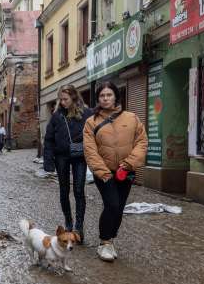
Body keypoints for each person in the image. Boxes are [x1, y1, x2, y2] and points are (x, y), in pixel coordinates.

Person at [84, 81, 147, 262]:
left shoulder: (131, 118)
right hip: (104, 173)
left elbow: (142, 142)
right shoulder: (91, 122)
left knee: (119, 208)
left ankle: (110, 241)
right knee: (111, 204)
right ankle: (104, 243)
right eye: (102, 96)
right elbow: (90, 150)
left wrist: (128, 164)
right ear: (98, 99)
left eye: (109, 95)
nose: (105, 98)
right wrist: (103, 172)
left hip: (125, 171)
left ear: (115, 97)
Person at [43, 85, 93, 243]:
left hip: (79, 156)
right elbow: (49, 139)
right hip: (61, 157)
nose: (62, 102)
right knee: (64, 190)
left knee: (79, 190)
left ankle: (79, 227)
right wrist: (48, 162)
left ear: (74, 98)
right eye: (61, 99)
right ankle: (69, 223)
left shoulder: (86, 113)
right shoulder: (57, 116)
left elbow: (94, 132)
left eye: (65, 99)